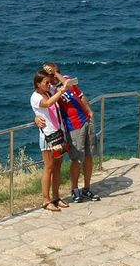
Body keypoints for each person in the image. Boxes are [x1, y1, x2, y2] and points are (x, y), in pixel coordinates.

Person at [43, 62, 101, 203]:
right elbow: (44, 105)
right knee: (76, 159)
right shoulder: (49, 89)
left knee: (89, 156)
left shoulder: (67, 79)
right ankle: (75, 189)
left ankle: (87, 188)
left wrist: (89, 111)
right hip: (72, 126)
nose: (50, 72)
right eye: (47, 71)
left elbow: (79, 94)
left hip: (86, 121)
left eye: (51, 68)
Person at [31, 69, 72, 212]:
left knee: (57, 166)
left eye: (49, 82)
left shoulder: (48, 91)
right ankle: (45, 199)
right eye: (46, 82)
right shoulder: (36, 97)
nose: (49, 84)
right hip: (48, 137)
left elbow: (65, 83)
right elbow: (47, 104)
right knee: (48, 167)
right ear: (38, 84)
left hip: (57, 134)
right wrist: (60, 92)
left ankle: (56, 197)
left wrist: (54, 72)